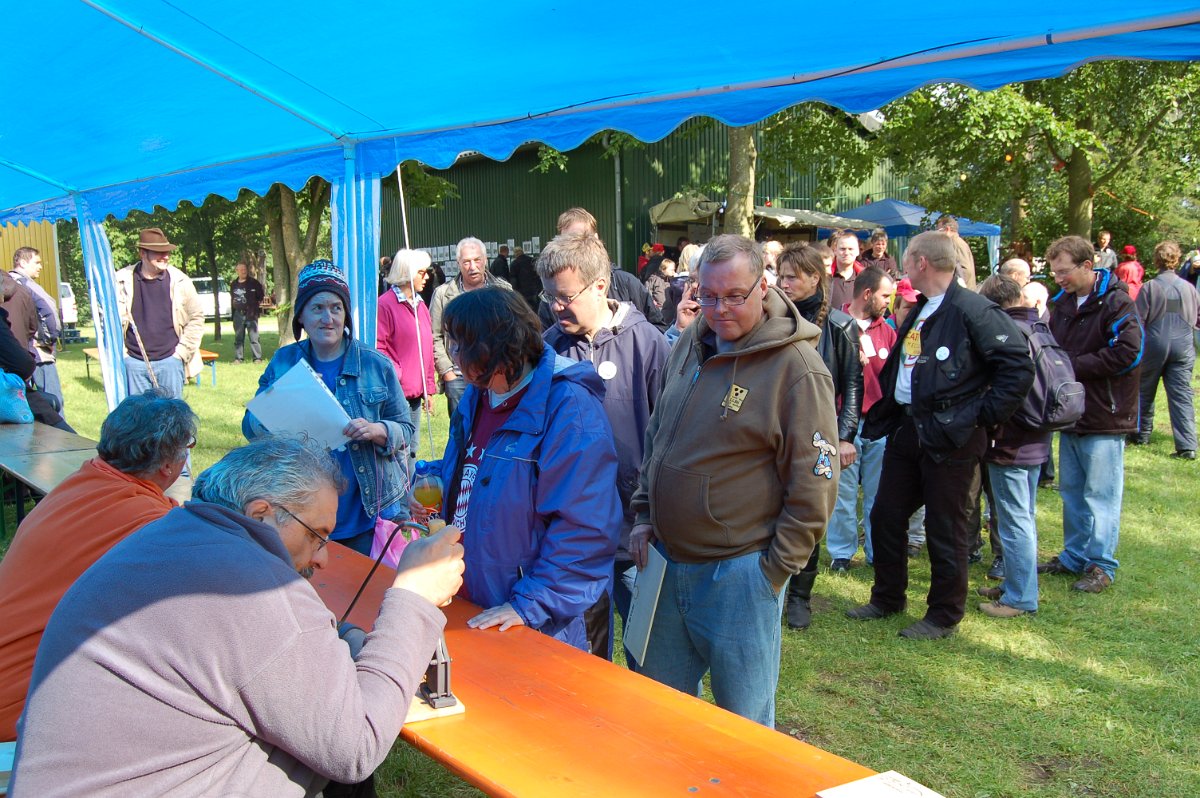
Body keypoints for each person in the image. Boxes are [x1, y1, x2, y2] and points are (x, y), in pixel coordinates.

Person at [12, 436, 465, 798]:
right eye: (317, 535)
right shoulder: (252, 588)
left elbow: (278, 646)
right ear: (262, 514)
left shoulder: (170, 537)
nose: (323, 558)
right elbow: (357, 744)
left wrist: (347, 639)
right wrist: (413, 598)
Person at [630, 234, 838, 726]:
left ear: (762, 288)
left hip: (739, 574)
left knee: (743, 730)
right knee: (660, 718)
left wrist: (772, 572)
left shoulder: (797, 368)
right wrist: (643, 514)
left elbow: (815, 482)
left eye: (734, 296)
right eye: (708, 295)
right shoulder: (692, 340)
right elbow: (659, 432)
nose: (719, 309)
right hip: (665, 560)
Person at [847, 231, 1032, 640]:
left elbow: (1017, 367)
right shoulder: (923, 309)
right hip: (910, 428)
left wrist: (978, 416)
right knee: (886, 514)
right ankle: (888, 597)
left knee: (946, 527)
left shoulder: (973, 310)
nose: (902, 268)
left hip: (953, 435)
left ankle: (944, 615)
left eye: (907, 259)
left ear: (921, 263)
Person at [418, 287, 619, 651]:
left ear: (498, 348)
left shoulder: (568, 408)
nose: (453, 356)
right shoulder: (477, 397)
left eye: (462, 345)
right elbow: (477, 466)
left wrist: (528, 605)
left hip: (535, 620)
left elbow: (586, 529)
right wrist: (433, 478)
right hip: (473, 603)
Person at [0, 391, 194, 741]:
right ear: (168, 465)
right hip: (22, 710)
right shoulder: (152, 526)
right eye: (187, 447)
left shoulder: (81, 482)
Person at [538, 233, 670, 660]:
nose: (556, 307)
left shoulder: (647, 343)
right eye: (549, 297)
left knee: (648, 653)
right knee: (584, 658)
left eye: (564, 297)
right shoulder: (548, 349)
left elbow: (666, 437)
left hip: (635, 533)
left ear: (600, 286)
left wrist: (649, 515)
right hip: (573, 537)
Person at [244, 260, 413, 555]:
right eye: (317, 308)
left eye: (336, 308)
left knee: (360, 596)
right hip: (299, 513)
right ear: (302, 317)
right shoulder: (285, 363)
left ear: (346, 314)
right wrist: (285, 397)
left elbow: (406, 429)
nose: (328, 318)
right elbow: (251, 427)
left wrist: (377, 430)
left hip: (365, 515)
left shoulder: (375, 364)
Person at [1041, 235, 1142, 593]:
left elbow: (1129, 352)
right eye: (1054, 273)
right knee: (1071, 490)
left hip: (1106, 413)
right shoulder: (1062, 303)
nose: (1059, 279)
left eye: (1064, 271)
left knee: (1101, 493)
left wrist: (1071, 366)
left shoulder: (1117, 303)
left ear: (1088, 266)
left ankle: (1101, 564)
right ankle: (1073, 556)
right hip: (1070, 412)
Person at [773, 243, 862, 630]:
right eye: (781, 275)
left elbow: (853, 386)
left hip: (820, 439)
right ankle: (775, 586)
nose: (784, 282)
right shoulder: (773, 318)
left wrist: (845, 436)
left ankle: (801, 597)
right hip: (777, 434)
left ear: (814, 278)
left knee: (809, 512)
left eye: (792, 276)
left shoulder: (839, 325)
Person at [974, 275, 1051, 618]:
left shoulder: (1007, 334)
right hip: (1038, 435)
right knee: (1022, 515)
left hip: (1012, 440)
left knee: (1014, 519)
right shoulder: (1039, 328)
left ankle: (1020, 596)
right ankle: (1016, 585)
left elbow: (1003, 387)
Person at [828, 266, 897, 573]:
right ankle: (841, 552)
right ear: (867, 293)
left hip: (879, 425)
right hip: (843, 423)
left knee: (877, 492)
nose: (888, 302)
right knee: (842, 492)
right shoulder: (835, 324)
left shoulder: (889, 330)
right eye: (884, 295)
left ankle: (876, 550)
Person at [114, 227, 205, 399]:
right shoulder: (121, 280)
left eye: (167, 252)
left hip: (170, 362)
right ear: (142, 253)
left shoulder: (181, 281)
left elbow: (197, 318)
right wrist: (124, 355)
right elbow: (109, 321)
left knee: (171, 420)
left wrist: (180, 354)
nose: (166, 257)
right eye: (158, 252)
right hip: (134, 363)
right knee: (139, 420)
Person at [541, 207, 667, 331]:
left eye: (581, 239)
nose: (574, 247)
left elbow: (657, 329)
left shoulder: (625, 283)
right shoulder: (552, 297)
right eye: (567, 241)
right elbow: (543, 344)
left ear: (596, 239)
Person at [430, 237, 512, 419]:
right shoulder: (443, 294)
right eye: (466, 262)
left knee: (495, 429)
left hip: (496, 373)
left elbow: (514, 331)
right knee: (461, 433)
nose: (472, 266)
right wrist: (447, 372)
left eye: (477, 260)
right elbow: (433, 335)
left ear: (485, 260)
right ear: (458, 263)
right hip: (459, 377)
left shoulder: (504, 290)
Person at [1133, 241, 1198, 459]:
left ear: (1156, 260)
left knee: (1144, 389)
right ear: (1176, 260)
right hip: (1184, 344)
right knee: (1181, 394)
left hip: (1154, 342)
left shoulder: (1150, 287)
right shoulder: (1189, 287)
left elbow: (1138, 319)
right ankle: (1187, 445)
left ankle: (1141, 434)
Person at [377, 249, 438, 463]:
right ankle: (400, 496)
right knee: (398, 451)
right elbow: (378, 347)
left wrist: (428, 388)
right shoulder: (385, 305)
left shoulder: (420, 305)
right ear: (407, 273)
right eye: (422, 272)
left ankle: (410, 493)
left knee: (412, 448)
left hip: (415, 394)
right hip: (396, 394)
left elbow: (427, 347)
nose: (427, 277)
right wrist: (400, 374)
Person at [9, 247, 63, 412]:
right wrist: (48, 339)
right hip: (37, 352)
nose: (40, 266)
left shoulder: (6, 283)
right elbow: (49, 309)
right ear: (23, 262)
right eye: (37, 262)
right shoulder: (25, 284)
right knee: (52, 402)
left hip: (14, 353)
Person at [230, 261, 265, 364]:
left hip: (251, 314)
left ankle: (257, 358)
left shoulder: (254, 283)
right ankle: (238, 358)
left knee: (254, 337)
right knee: (238, 338)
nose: (243, 271)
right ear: (237, 271)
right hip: (238, 314)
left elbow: (261, 296)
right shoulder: (233, 284)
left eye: (244, 269)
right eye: (241, 270)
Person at [934, 215, 977, 289]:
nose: (937, 234)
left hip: (963, 294)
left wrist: (950, 287)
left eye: (939, 231)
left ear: (947, 229)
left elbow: (965, 271)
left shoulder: (956, 243)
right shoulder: (955, 242)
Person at [829, 231, 865, 309]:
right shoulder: (825, 276)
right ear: (835, 250)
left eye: (850, 249)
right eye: (842, 249)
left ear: (857, 251)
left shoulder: (866, 278)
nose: (846, 252)